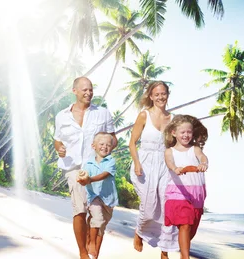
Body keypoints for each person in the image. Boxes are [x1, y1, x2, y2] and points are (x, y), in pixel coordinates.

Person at [54, 77, 117, 259]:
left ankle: (92, 239)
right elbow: (57, 139)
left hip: (97, 168)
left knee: (99, 214)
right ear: (74, 91)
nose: (88, 93)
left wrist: (103, 151)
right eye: (84, 90)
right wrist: (59, 148)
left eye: (90, 89)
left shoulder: (103, 113)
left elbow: (114, 139)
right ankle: (83, 252)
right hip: (74, 167)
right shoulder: (62, 116)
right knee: (79, 209)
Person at [129, 81, 179, 257]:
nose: (160, 97)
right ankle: (139, 231)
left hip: (165, 165)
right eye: (157, 94)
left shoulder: (173, 119)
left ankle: (165, 250)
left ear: (167, 94)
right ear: (151, 96)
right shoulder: (144, 115)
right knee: (149, 206)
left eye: (163, 93)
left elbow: (176, 145)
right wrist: (136, 163)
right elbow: (132, 143)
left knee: (167, 208)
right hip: (145, 163)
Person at [162, 115, 209, 259]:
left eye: (189, 132)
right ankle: (185, 257)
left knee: (190, 230)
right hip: (178, 192)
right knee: (184, 224)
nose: (186, 135)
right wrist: (175, 168)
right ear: (174, 133)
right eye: (182, 132)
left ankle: (170, 250)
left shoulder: (194, 149)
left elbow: (202, 157)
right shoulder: (170, 151)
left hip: (196, 194)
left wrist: (203, 163)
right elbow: (169, 162)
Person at [77, 132, 118, 259]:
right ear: (93, 146)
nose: (105, 147)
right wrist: (84, 179)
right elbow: (84, 177)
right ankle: (92, 244)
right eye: (101, 144)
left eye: (108, 145)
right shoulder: (88, 164)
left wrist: (90, 180)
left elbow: (105, 174)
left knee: (100, 226)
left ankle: (92, 243)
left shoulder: (111, 161)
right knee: (98, 219)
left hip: (108, 200)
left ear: (111, 147)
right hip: (94, 197)